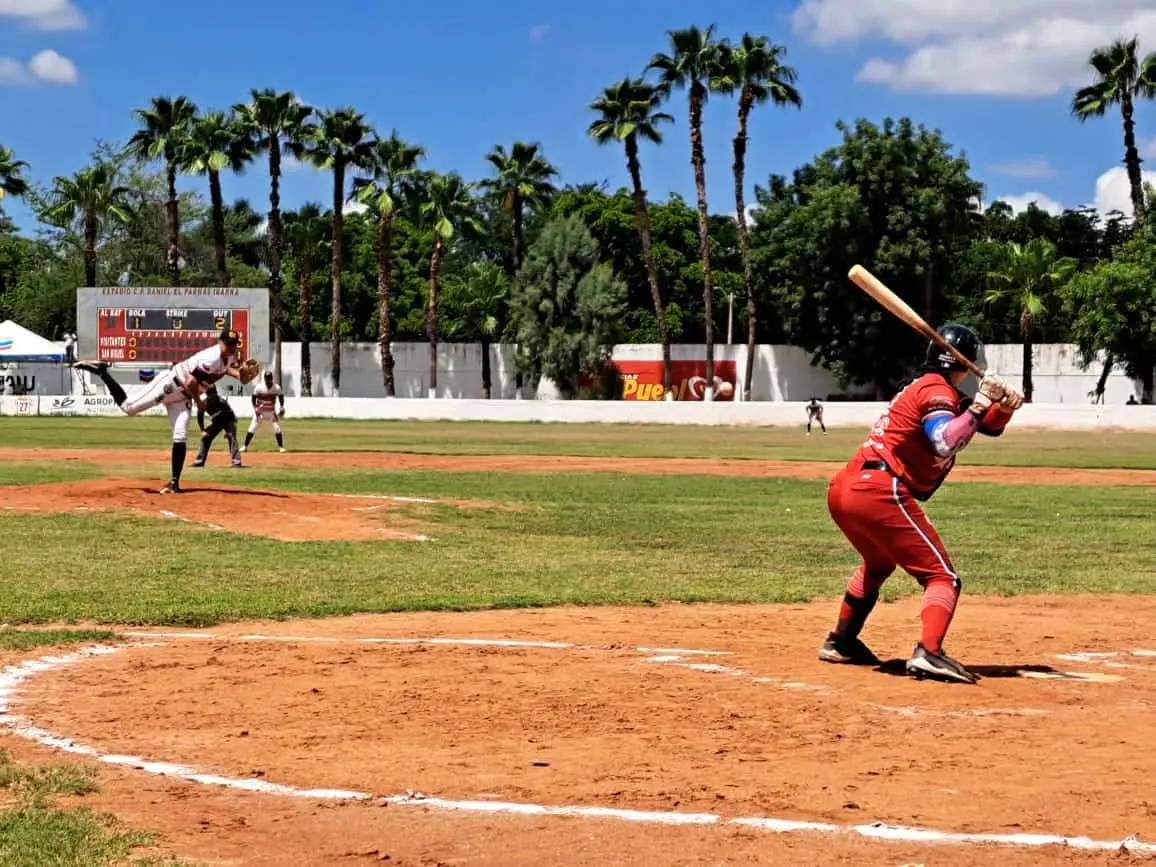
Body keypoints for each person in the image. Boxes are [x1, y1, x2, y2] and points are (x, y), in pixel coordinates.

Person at [818, 324, 1024, 684]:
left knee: (879, 564)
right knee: (942, 577)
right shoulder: (936, 391)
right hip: (878, 489)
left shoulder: (928, 387)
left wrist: (1003, 407)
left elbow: (985, 426)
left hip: (846, 488)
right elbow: (944, 440)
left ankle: (842, 641)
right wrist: (980, 403)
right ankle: (929, 651)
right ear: (963, 362)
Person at [73, 328, 247, 494]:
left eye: (233, 344)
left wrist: (239, 375)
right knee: (129, 408)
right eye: (227, 343)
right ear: (220, 342)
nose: (230, 347)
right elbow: (191, 382)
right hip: (170, 386)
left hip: (182, 398)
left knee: (180, 436)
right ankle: (102, 372)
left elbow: (224, 369)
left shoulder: (228, 357)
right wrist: (198, 401)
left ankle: (174, 483)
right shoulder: (211, 357)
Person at [192, 384, 242, 468]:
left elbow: (231, 416)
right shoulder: (204, 403)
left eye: (214, 393)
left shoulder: (222, 402)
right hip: (216, 422)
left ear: (216, 393)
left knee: (232, 437)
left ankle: (236, 462)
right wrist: (203, 430)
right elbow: (200, 417)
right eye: (210, 394)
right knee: (205, 438)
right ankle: (199, 462)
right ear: (207, 394)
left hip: (228, 420)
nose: (213, 396)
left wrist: (229, 431)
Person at [241, 369, 286, 453]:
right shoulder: (259, 387)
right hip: (260, 412)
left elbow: (280, 397)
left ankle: (281, 447)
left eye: (270, 379)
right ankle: (245, 446)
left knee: (277, 428)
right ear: (264, 379)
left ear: (272, 378)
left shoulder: (276, 388)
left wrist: (282, 407)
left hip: (271, 412)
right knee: (252, 428)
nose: (268, 381)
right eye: (267, 379)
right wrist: (255, 409)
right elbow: (253, 399)